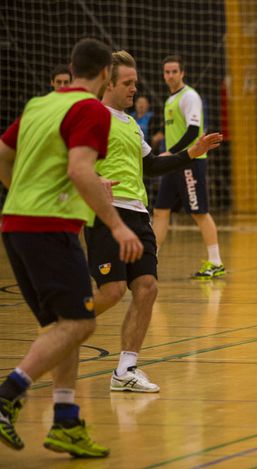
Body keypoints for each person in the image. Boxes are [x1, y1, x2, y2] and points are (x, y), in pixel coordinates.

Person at [0, 38, 144, 457]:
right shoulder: (91, 109)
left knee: (63, 327)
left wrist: (26, 194)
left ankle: (65, 421)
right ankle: (8, 394)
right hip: (49, 228)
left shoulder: (39, 105)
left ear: (72, 66)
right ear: (104, 75)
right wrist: (117, 227)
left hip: (17, 224)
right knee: (81, 325)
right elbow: (80, 169)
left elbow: (3, 155)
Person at [88, 51, 223, 393]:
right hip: (107, 213)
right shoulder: (93, 117)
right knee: (113, 290)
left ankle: (125, 369)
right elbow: (72, 160)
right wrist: (92, 180)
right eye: (128, 83)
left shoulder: (132, 125)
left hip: (137, 213)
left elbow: (152, 166)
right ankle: (66, 327)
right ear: (109, 83)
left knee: (147, 288)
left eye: (135, 82)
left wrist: (191, 153)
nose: (135, 89)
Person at [152, 55, 224, 279]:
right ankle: (150, 259)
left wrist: (171, 151)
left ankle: (216, 262)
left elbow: (193, 131)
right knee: (160, 211)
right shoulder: (170, 100)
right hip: (175, 163)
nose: (171, 75)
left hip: (190, 163)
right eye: (167, 72)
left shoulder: (189, 96)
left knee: (199, 212)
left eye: (174, 71)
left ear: (182, 73)